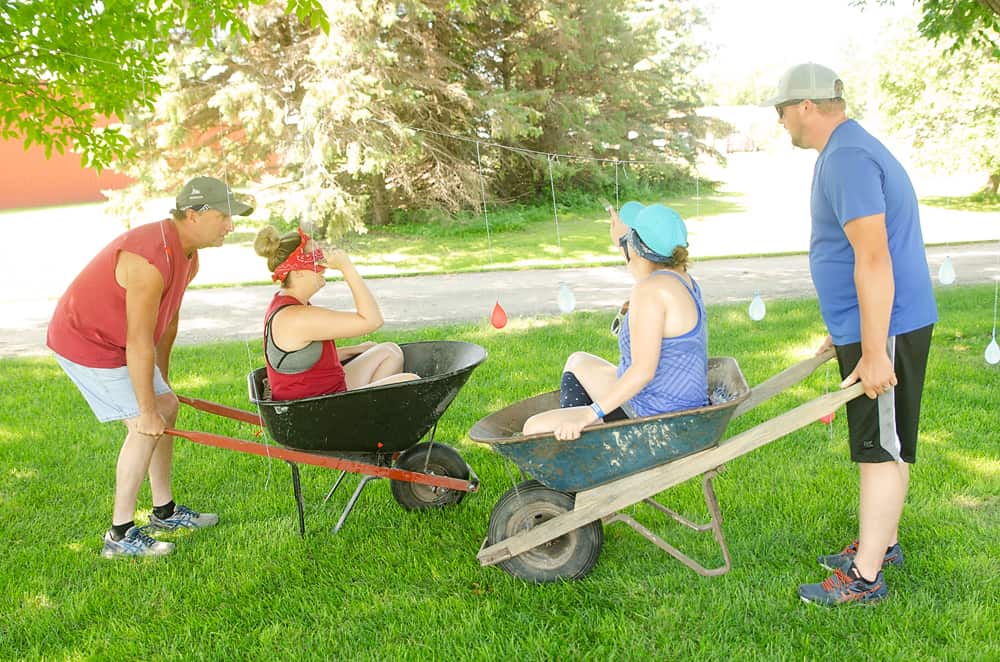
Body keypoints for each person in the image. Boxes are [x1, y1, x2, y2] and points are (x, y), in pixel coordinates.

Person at [764, 63, 937, 606]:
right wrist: (845, 333)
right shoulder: (843, 151)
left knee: (880, 450)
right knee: (884, 444)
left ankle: (865, 578)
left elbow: (873, 257)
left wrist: (871, 348)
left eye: (781, 110)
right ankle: (879, 545)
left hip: (889, 328)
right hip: (879, 325)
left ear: (807, 107)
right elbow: (851, 258)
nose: (780, 121)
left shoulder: (847, 158)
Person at [47, 176, 255, 558]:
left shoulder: (189, 257)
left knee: (167, 407)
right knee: (144, 427)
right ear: (193, 214)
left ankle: (164, 512)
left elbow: (167, 320)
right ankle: (120, 535)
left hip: (121, 340)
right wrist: (145, 409)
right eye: (224, 217)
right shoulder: (149, 260)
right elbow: (139, 339)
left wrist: (163, 381)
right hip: (86, 341)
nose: (231, 226)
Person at [522, 201, 709, 441]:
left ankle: (590, 437)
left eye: (630, 238)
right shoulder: (681, 279)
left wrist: (589, 414)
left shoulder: (649, 290)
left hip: (655, 415)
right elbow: (645, 266)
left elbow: (643, 371)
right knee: (578, 361)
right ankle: (592, 432)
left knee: (533, 428)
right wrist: (624, 241)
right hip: (674, 401)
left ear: (637, 248)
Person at [253, 225, 418, 401]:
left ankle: (368, 417)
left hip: (324, 395)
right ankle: (367, 421)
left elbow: (307, 359)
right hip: (319, 410)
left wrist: (357, 349)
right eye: (316, 261)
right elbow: (372, 320)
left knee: (390, 351)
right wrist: (347, 268)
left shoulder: (285, 303)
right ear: (298, 272)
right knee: (411, 381)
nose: (324, 267)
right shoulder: (296, 317)